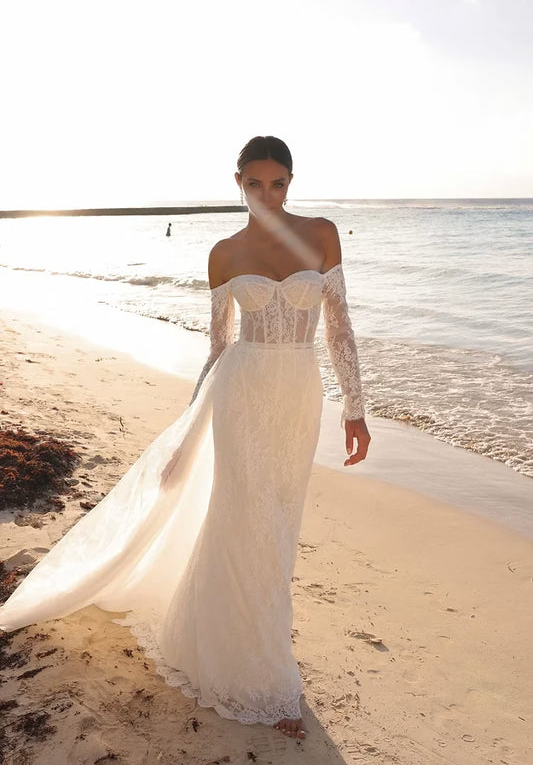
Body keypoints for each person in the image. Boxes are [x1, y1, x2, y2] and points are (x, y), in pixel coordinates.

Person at [0, 135, 370, 742]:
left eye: (278, 183)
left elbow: (340, 327)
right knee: (242, 519)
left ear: (291, 182)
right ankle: (264, 674)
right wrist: (188, 432)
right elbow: (219, 347)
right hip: (241, 394)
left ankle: (240, 640)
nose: (268, 195)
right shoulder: (224, 253)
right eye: (255, 184)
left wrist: (355, 409)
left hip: (299, 398)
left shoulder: (322, 233)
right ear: (238, 184)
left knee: (280, 523)